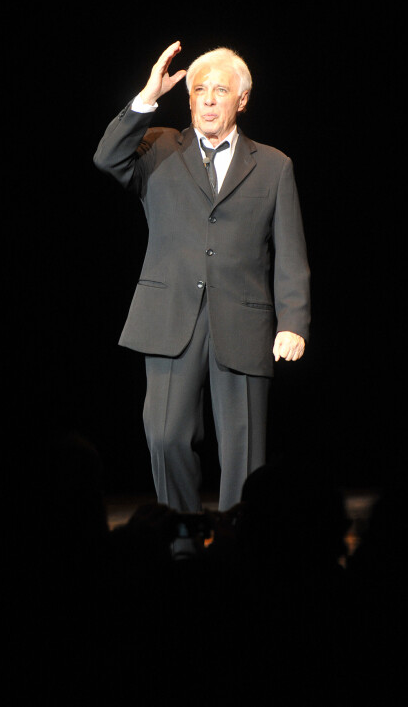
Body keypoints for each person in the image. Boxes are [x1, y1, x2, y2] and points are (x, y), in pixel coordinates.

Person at [94, 41, 310, 513]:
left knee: (245, 451)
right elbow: (107, 158)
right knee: (166, 436)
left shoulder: (274, 165)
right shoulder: (158, 146)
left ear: (243, 99)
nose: (209, 99)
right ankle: (182, 539)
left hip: (244, 319)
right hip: (171, 316)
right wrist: (146, 97)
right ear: (188, 99)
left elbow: (291, 251)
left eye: (220, 90)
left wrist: (293, 320)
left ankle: (242, 545)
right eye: (199, 90)